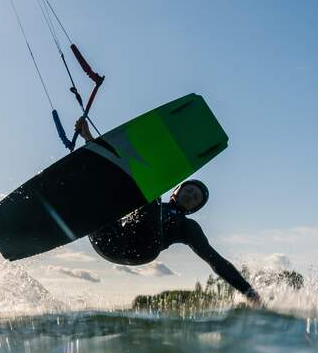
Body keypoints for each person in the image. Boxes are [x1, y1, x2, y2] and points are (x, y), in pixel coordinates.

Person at [75, 118, 261, 304]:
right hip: (109, 241)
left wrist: (250, 293)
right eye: (188, 190)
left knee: (149, 193)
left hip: (142, 250)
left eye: (195, 199)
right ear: (176, 191)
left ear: (194, 209)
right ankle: (77, 190)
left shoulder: (187, 227)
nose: (190, 196)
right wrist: (89, 138)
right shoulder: (149, 200)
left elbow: (216, 260)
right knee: (110, 194)